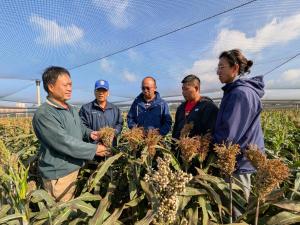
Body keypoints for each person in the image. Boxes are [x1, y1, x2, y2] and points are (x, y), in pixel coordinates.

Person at [32, 66, 110, 202]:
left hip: (74, 168)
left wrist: (92, 134)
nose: (70, 88)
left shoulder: (71, 109)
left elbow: (80, 128)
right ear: (51, 87)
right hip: (59, 176)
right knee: (61, 214)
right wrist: (94, 149)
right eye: (65, 85)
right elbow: (63, 142)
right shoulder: (44, 114)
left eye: (71, 84)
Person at [213, 49, 265, 217]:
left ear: (234, 68)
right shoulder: (236, 91)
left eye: (221, 67)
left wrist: (211, 147)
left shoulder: (240, 93)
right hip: (240, 160)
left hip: (240, 161)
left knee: (238, 211)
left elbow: (229, 134)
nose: (218, 71)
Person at [172, 74, 218, 140]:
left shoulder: (208, 107)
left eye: (186, 89)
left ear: (196, 88)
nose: (183, 92)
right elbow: (175, 130)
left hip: (196, 148)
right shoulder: (181, 108)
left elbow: (210, 132)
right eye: (183, 89)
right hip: (180, 148)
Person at [79, 79, 123, 147]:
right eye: (98, 90)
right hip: (93, 149)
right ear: (94, 92)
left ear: (108, 93)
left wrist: (115, 132)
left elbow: (119, 124)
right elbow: (81, 126)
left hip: (110, 147)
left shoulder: (115, 109)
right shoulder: (86, 109)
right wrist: (91, 134)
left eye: (104, 90)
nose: (101, 93)